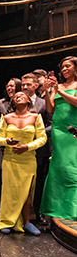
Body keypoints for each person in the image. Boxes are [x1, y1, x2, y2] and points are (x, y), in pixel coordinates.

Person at [0, 91, 46, 235]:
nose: (18, 97)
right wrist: (7, 142)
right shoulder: (7, 117)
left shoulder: (36, 117)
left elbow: (42, 138)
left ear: (28, 100)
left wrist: (27, 146)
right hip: (10, 158)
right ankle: (8, 220)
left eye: (22, 95)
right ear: (13, 102)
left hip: (28, 159)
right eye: (15, 97)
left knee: (27, 192)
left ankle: (27, 222)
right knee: (10, 191)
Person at [41, 56, 77, 220]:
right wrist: (49, 92)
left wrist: (59, 91)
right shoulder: (58, 86)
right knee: (58, 167)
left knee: (71, 168)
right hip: (58, 130)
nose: (64, 69)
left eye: (67, 66)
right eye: (62, 67)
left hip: (72, 129)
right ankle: (55, 208)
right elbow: (50, 108)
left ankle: (72, 208)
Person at [21, 73, 52, 224]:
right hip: (20, 151)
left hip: (39, 149)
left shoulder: (43, 102)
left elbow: (52, 124)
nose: (25, 87)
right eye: (23, 85)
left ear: (35, 86)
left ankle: (38, 213)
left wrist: (36, 135)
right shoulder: (16, 101)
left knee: (38, 182)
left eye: (28, 84)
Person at [0, 78, 20, 215]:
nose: (10, 88)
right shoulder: (0, 103)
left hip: (17, 142)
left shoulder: (23, 102)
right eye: (8, 86)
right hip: (0, 141)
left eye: (12, 86)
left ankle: (15, 205)